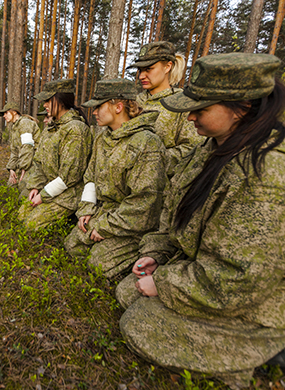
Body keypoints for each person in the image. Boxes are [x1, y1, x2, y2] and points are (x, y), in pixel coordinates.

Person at [116, 53, 285, 389]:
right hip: (200, 274)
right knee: (127, 292)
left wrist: (163, 283)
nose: (190, 116)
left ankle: (264, 353)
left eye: (201, 109)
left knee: (138, 324)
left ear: (243, 108)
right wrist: (157, 255)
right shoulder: (210, 149)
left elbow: (237, 279)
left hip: (250, 306)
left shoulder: (265, 173)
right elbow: (173, 215)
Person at [64, 79, 167, 278]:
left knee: (98, 264)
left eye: (98, 107)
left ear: (118, 107)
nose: (93, 112)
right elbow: (90, 176)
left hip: (134, 225)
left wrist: (106, 228)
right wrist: (86, 209)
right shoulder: (103, 138)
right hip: (105, 212)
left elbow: (144, 203)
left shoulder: (146, 143)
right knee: (72, 245)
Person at [19, 79, 92, 230]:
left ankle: (71, 218)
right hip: (50, 188)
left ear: (61, 99)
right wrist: (35, 187)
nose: (44, 105)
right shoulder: (51, 128)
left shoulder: (75, 129)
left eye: (48, 100)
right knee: (20, 215)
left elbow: (70, 176)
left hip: (69, 193)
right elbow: (39, 162)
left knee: (30, 225)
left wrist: (43, 196)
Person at [130, 41, 203, 176]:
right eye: (140, 70)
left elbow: (192, 149)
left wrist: (148, 162)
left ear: (167, 66)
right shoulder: (134, 102)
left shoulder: (183, 103)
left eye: (148, 69)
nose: (141, 76)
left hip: (162, 188)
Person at [0, 101, 41, 196]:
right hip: (23, 163)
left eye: (6, 113)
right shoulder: (15, 127)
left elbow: (27, 147)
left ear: (14, 112)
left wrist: (23, 170)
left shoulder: (24, 124)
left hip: (34, 163)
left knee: (23, 192)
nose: (4, 116)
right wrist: (11, 169)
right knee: (10, 189)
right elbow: (14, 151)